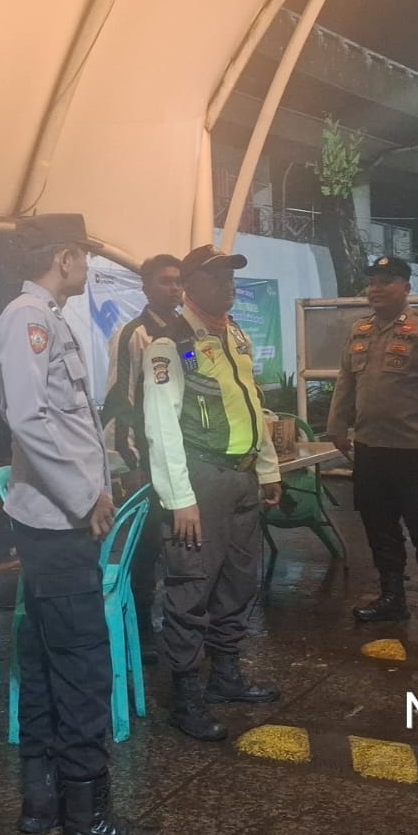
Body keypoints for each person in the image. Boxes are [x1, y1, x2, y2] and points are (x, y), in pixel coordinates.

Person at [0, 213, 164, 835]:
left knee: (44, 658)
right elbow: (29, 417)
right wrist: (84, 494)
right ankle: (87, 821)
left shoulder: (44, 316)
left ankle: (42, 799)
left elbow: (65, 420)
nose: (88, 267)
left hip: (53, 519)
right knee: (83, 667)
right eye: (83, 256)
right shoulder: (28, 318)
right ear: (64, 256)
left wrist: (97, 480)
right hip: (57, 524)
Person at [142, 244, 283, 741]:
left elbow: (252, 404)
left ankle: (225, 676)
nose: (228, 285)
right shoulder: (171, 343)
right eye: (216, 276)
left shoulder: (235, 335)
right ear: (189, 286)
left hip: (241, 476)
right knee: (191, 587)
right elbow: (161, 425)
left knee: (237, 582)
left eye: (230, 276)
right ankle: (186, 698)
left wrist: (267, 468)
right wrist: (180, 499)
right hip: (200, 480)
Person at [325, 255, 418, 640]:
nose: (376, 289)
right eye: (372, 282)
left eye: (386, 281)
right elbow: (345, 382)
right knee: (379, 529)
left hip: (415, 452)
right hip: (370, 450)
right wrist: (336, 426)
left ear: (406, 287)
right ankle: (392, 598)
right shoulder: (360, 331)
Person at [100, 253, 185, 664]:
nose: (174, 289)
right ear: (146, 287)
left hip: (181, 458)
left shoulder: (186, 333)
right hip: (145, 460)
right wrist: (129, 463)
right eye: (165, 281)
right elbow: (120, 401)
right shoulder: (133, 335)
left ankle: (179, 626)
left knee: (181, 545)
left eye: (179, 281)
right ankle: (141, 632)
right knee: (146, 549)